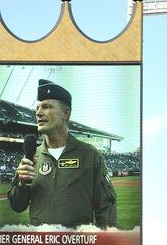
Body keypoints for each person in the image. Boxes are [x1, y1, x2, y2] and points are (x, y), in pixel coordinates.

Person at [8, 78, 117, 228]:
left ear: (65, 113)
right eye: (38, 108)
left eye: (46, 107)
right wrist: (21, 184)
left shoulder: (90, 156)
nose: (38, 113)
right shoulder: (32, 157)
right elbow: (17, 206)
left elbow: (106, 209)